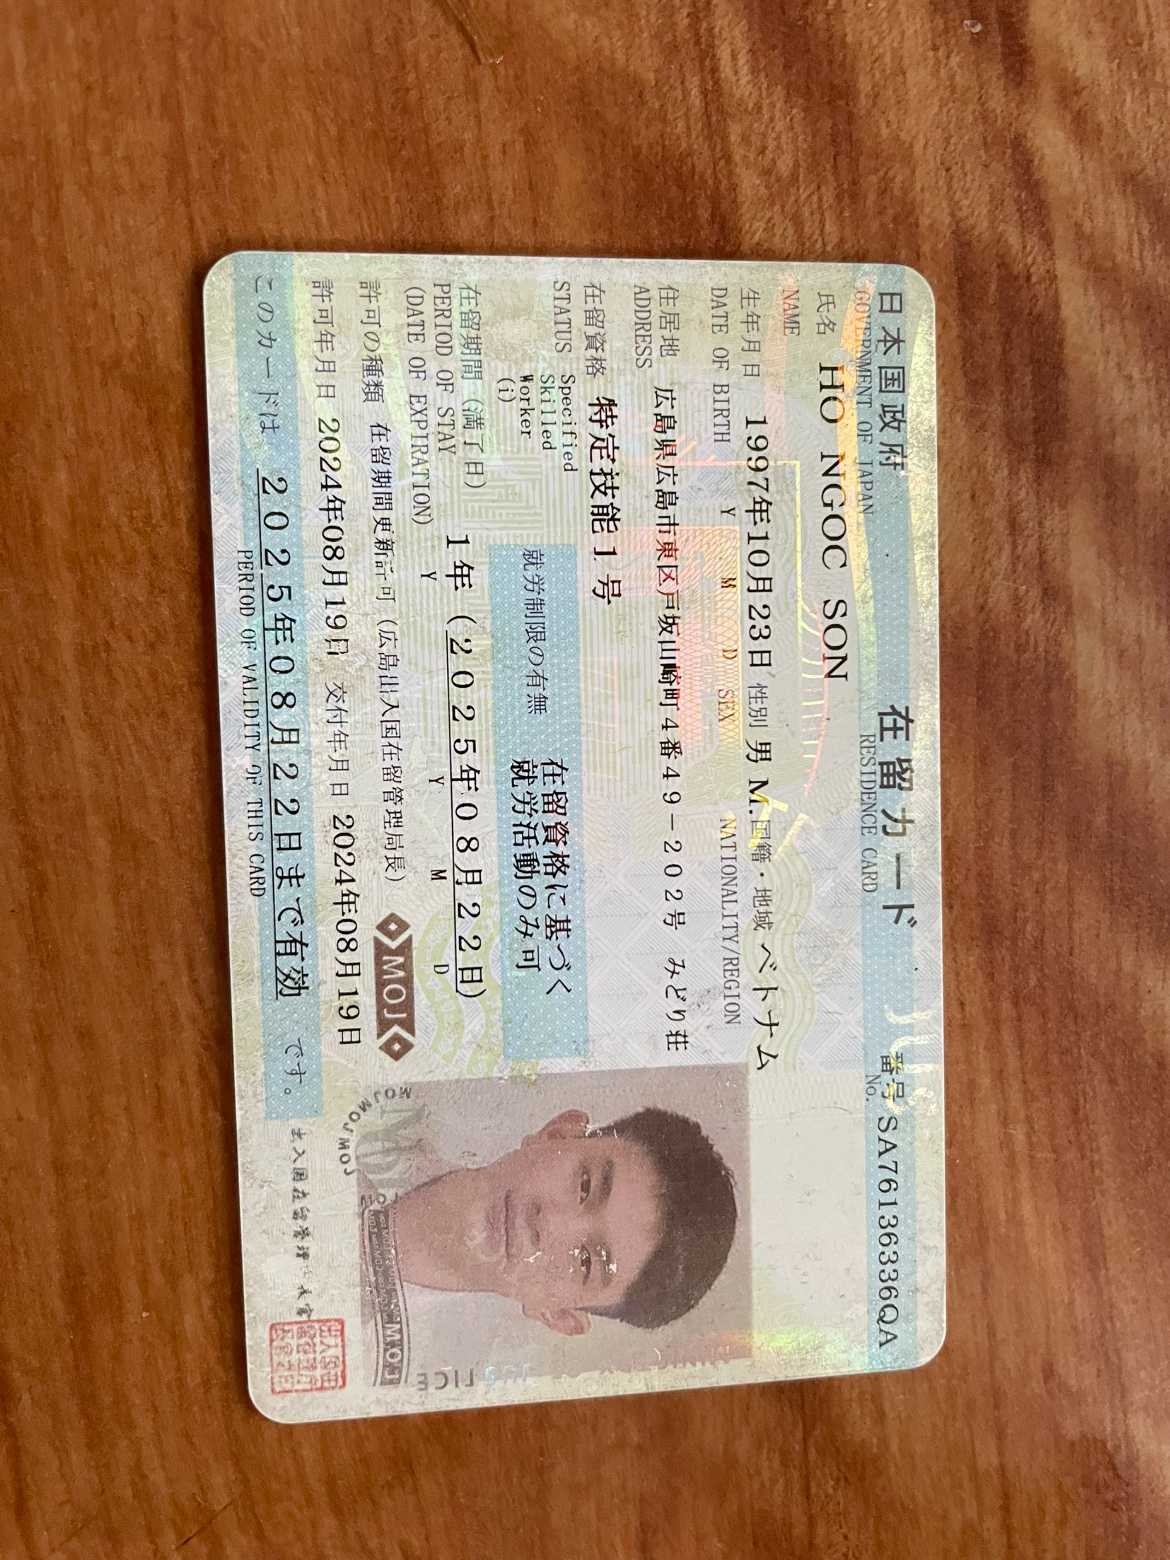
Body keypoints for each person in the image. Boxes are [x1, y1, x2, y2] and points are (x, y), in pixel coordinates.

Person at [364, 1105, 738, 1337]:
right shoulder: (376, 1113)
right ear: (556, 1134)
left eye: (587, 1261)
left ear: (558, 1315)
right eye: (584, 1186)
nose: (549, 1225)